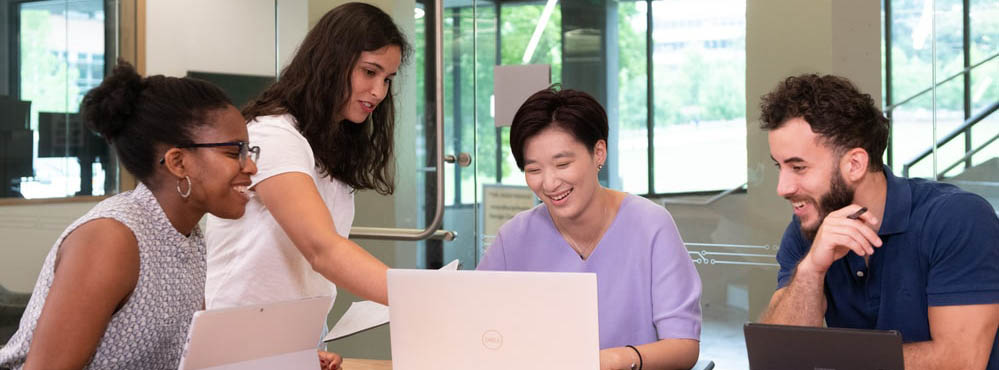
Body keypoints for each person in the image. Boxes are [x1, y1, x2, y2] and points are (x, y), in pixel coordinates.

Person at [0, 61, 258, 369]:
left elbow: (188, 354)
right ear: (178, 163)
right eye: (234, 152)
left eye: (249, 152)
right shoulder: (111, 239)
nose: (251, 167)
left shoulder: (187, 236)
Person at [204, 1, 408, 355]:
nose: (378, 91)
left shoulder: (331, 144)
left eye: (387, 79)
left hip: (297, 332)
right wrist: (418, 296)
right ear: (332, 63)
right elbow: (322, 249)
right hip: (240, 333)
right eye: (369, 72)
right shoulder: (273, 134)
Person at [758, 74, 999, 369]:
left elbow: (960, 361)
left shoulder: (956, 218)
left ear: (855, 164)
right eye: (779, 167)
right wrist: (811, 269)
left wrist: (829, 361)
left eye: (798, 167)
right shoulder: (809, 228)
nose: (783, 187)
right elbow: (781, 357)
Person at [477, 87, 702, 370]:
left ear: (598, 152)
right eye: (534, 170)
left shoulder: (651, 226)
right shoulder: (514, 237)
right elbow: (475, 326)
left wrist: (614, 360)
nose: (549, 183)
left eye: (562, 163)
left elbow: (683, 346)